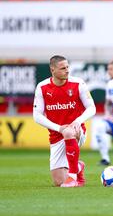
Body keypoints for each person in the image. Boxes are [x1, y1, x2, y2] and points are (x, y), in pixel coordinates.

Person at [33, 55, 96, 188]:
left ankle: (72, 177)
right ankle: (78, 166)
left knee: (68, 132)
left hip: (76, 131)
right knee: (58, 182)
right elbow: (37, 116)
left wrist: (78, 121)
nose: (67, 70)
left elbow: (92, 108)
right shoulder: (42, 87)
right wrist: (59, 128)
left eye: (67, 67)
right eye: (63, 68)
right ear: (52, 70)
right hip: (56, 135)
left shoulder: (78, 83)